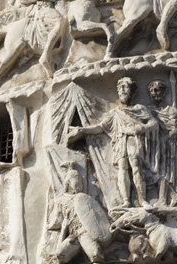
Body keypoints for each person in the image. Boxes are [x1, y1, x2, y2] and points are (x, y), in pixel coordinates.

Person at [67, 78, 159, 208]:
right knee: (122, 168)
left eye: (125, 87)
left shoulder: (140, 109)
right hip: (120, 141)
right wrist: (82, 130)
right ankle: (126, 201)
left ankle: (142, 200)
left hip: (134, 140)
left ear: (132, 91)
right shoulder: (115, 112)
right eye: (119, 88)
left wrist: (142, 128)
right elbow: (101, 127)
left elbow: (153, 122)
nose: (122, 90)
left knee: (136, 166)